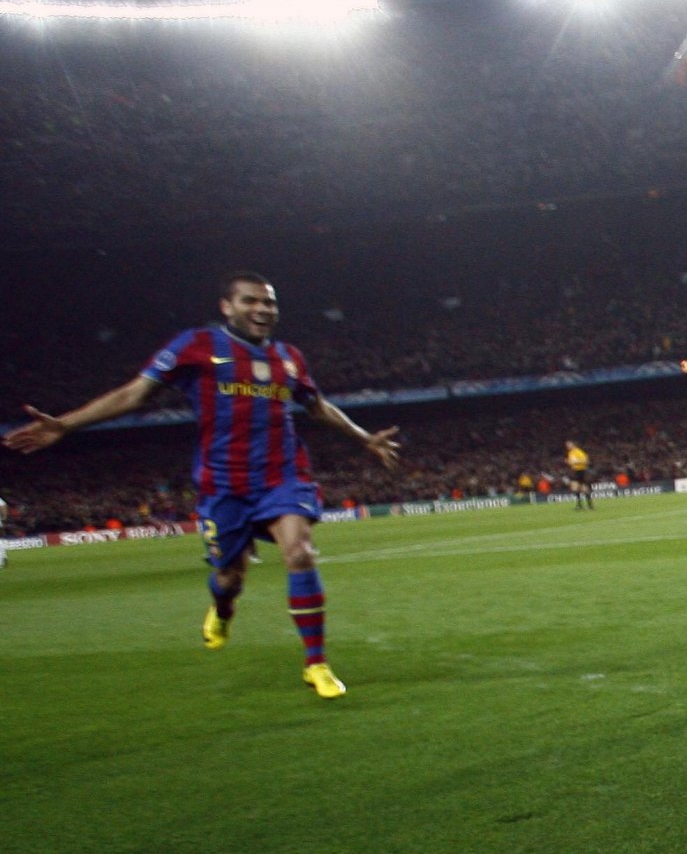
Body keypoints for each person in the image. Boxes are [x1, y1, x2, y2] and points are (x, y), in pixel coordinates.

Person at [3, 271, 400, 698]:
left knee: (300, 553)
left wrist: (364, 438)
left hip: (283, 476)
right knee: (230, 577)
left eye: (269, 302)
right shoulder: (196, 346)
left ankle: (316, 663)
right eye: (251, 301)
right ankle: (224, 607)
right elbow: (134, 395)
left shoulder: (289, 358)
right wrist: (65, 425)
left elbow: (316, 406)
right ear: (227, 307)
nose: (263, 309)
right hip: (223, 485)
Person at [565, 440, 593, 509]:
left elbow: (586, 461)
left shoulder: (578, 452)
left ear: (573, 444)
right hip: (575, 471)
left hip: (581, 471)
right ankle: (581, 505)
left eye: (569, 444)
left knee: (583, 488)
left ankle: (588, 505)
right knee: (575, 487)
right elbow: (571, 462)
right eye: (567, 445)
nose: (568, 446)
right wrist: (569, 462)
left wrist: (576, 462)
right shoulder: (570, 453)